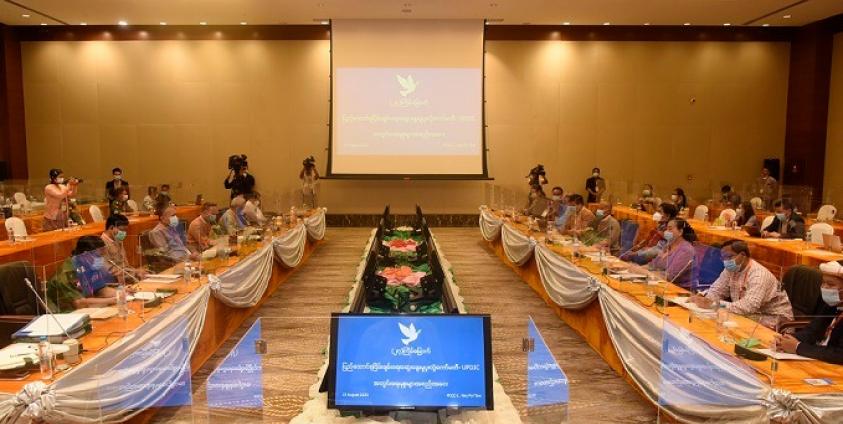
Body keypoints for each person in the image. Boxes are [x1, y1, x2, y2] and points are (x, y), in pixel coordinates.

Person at [690, 239, 793, 329]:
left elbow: (748, 307)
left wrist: (714, 304)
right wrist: (703, 299)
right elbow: (717, 290)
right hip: (751, 315)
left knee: (722, 324)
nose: (726, 261)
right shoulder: (730, 270)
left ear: (743, 255)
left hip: (774, 319)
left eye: (729, 257)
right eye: (723, 258)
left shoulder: (758, 275)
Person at [775, 260, 843, 364]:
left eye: (830, 284)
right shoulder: (832, 303)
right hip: (819, 359)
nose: (824, 288)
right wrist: (787, 339)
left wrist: (798, 347)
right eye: (823, 283)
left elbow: (839, 354)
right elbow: (812, 331)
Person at [46, 236, 119, 313]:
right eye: (98, 256)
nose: (101, 259)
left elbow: (101, 290)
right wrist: (112, 300)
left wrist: (121, 294)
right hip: (67, 315)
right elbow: (79, 303)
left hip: (89, 309)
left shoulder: (90, 265)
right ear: (85, 254)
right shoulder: (67, 273)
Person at [647, 218, 696, 289]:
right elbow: (652, 265)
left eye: (670, 229)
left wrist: (645, 273)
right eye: (666, 229)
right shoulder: (668, 246)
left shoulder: (687, 250)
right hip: (659, 283)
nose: (666, 232)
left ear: (680, 232)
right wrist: (635, 268)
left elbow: (669, 276)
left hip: (678, 289)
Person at [101, 214, 147, 281]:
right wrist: (134, 272)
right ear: (111, 227)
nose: (124, 233)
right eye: (122, 230)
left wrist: (135, 271)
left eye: (125, 230)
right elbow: (110, 271)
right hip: (116, 280)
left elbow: (125, 264)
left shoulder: (117, 240)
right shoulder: (102, 244)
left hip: (126, 277)